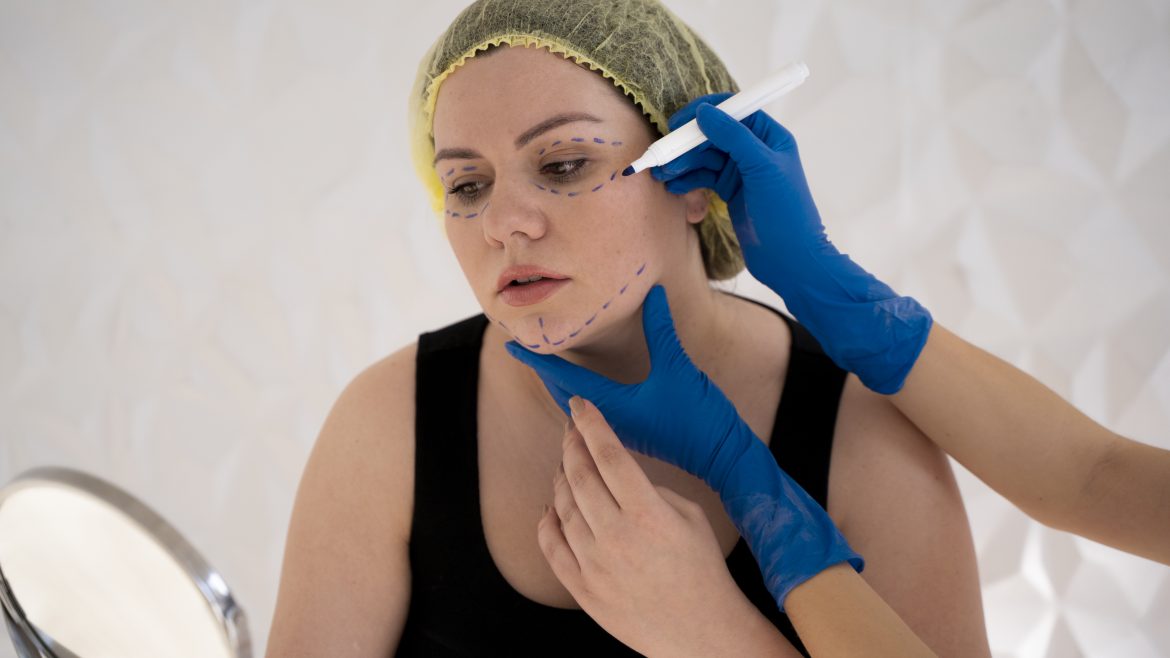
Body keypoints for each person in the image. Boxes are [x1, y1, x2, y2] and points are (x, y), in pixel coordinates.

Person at [265, 1, 989, 655]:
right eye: (468, 185)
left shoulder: (868, 433)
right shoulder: (388, 422)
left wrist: (712, 635)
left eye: (564, 163)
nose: (503, 223)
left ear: (698, 176)